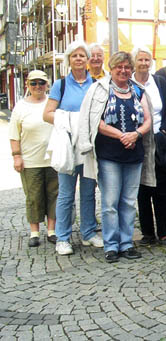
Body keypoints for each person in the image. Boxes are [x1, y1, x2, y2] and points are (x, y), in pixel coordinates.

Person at [78, 51, 153, 263]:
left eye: (127, 67)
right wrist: (121, 135)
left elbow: (147, 120)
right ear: (111, 68)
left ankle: (127, 243)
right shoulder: (100, 90)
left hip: (134, 156)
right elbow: (96, 122)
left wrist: (136, 134)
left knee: (129, 202)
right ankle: (111, 245)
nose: (123, 70)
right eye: (119, 67)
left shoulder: (138, 91)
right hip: (109, 155)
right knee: (110, 202)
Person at [43, 40, 102, 256]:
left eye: (82, 55)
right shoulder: (61, 85)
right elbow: (47, 113)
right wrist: (69, 119)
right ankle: (63, 237)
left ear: (87, 60)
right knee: (66, 194)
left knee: (88, 192)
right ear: (69, 60)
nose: (78, 59)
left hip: (88, 147)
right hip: (67, 146)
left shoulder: (95, 84)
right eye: (74, 55)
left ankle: (87, 232)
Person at [132, 47, 166, 248]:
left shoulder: (158, 82)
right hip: (136, 142)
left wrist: (164, 132)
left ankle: (164, 233)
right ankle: (148, 233)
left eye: (147, 59)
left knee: (160, 189)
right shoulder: (128, 83)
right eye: (140, 59)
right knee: (142, 190)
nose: (143, 63)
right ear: (134, 62)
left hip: (157, 141)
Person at [9, 70, 58, 247]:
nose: (38, 86)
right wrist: (17, 156)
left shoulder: (53, 103)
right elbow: (14, 135)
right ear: (27, 85)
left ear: (47, 85)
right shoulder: (20, 107)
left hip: (53, 159)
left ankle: (52, 230)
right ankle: (34, 232)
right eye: (34, 83)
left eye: (41, 83)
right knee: (34, 196)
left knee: (54, 194)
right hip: (30, 160)